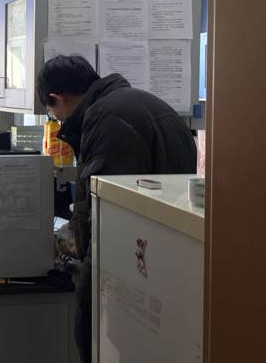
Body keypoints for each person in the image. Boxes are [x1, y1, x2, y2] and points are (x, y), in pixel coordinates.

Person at [38, 55, 197, 363]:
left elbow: (104, 218)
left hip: (136, 275)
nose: (57, 121)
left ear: (57, 99)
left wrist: (74, 250)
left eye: (52, 113)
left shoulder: (105, 118)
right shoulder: (142, 103)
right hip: (171, 267)